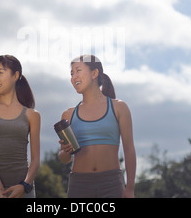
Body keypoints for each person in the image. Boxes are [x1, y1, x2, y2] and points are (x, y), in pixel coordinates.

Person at [58, 54, 136, 198]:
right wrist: (66, 152)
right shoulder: (68, 114)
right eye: (71, 73)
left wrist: (130, 188)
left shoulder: (119, 107)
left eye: (78, 71)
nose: (74, 76)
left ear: (94, 73)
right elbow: (64, 158)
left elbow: (129, 149)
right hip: (79, 185)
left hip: (112, 184)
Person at [0, 55, 40, 198]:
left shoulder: (32, 115)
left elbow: (35, 160)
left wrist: (25, 185)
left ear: (15, 75)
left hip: (23, 190)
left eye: (0, 72)